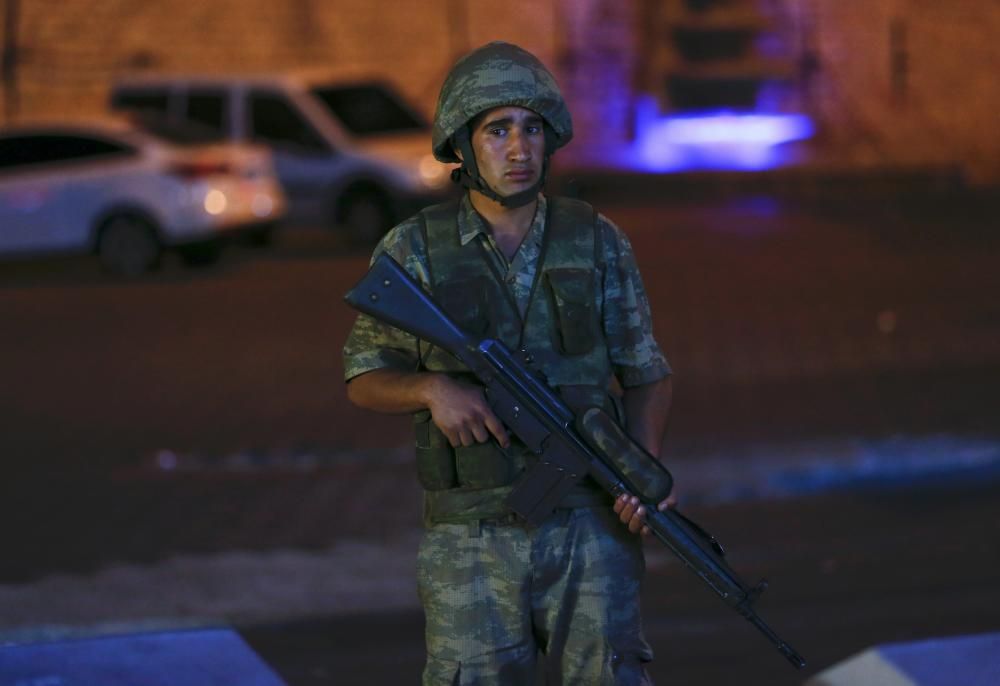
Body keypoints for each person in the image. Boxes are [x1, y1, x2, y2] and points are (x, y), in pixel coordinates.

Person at [343, 41, 674, 685]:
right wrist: (431, 389)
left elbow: (647, 373)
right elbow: (364, 376)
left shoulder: (596, 240)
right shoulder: (416, 249)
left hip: (591, 524)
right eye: (498, 131)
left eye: (531, 129)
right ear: (464, 147)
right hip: (470, 538)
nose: (519, 150)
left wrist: (641, 471)